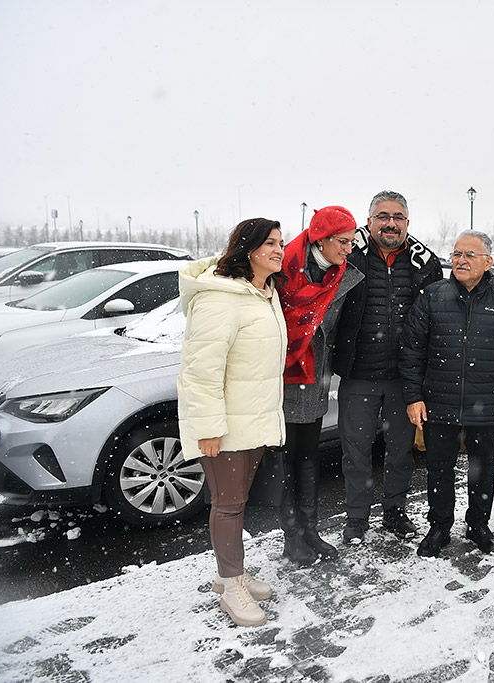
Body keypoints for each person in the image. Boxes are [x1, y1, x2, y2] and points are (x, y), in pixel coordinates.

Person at [177, 218, 287, 627]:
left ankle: (231, 576)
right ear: (248, 248)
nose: (279, 250)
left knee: (236, 501)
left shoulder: (264, 293)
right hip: (224, 424)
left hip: (252, 417)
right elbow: (200, 370)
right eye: (270, 243)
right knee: (227, 504)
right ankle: (230, 586)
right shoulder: (219, 297)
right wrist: (208, 427)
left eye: (281, 243)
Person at [400, 230, 494, 558]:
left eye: (470, 254)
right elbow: (412, 350)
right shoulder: (432, 296)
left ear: (488, 262)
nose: (461, 260)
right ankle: (439, 526)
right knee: (439, 467)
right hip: (439, 400)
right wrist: (414, 396)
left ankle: (478, 525)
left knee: (483, 467)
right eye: (457, 253)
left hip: (486, 403)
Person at [333, 190, 443, 545]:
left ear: (407, 223)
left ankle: (395, 511)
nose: (390, 223)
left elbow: (436, 316)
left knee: (400, 451)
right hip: (358, 374)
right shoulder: (349, 254)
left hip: (404, 378)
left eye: (397, 217)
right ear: (369, 221)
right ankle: (357, 516)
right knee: (356, 452)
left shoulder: (424, 262)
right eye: (383, 216)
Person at [275, 206, 362, 565]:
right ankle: (292, 536)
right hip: (282, 377)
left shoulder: (339, 274)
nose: (348, 249)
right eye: (342, 241)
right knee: (285, 461)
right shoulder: (282, 270)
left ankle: (310, 530)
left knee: (308, 458)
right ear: (320, 239)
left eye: (351, 242)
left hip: (315, 378)